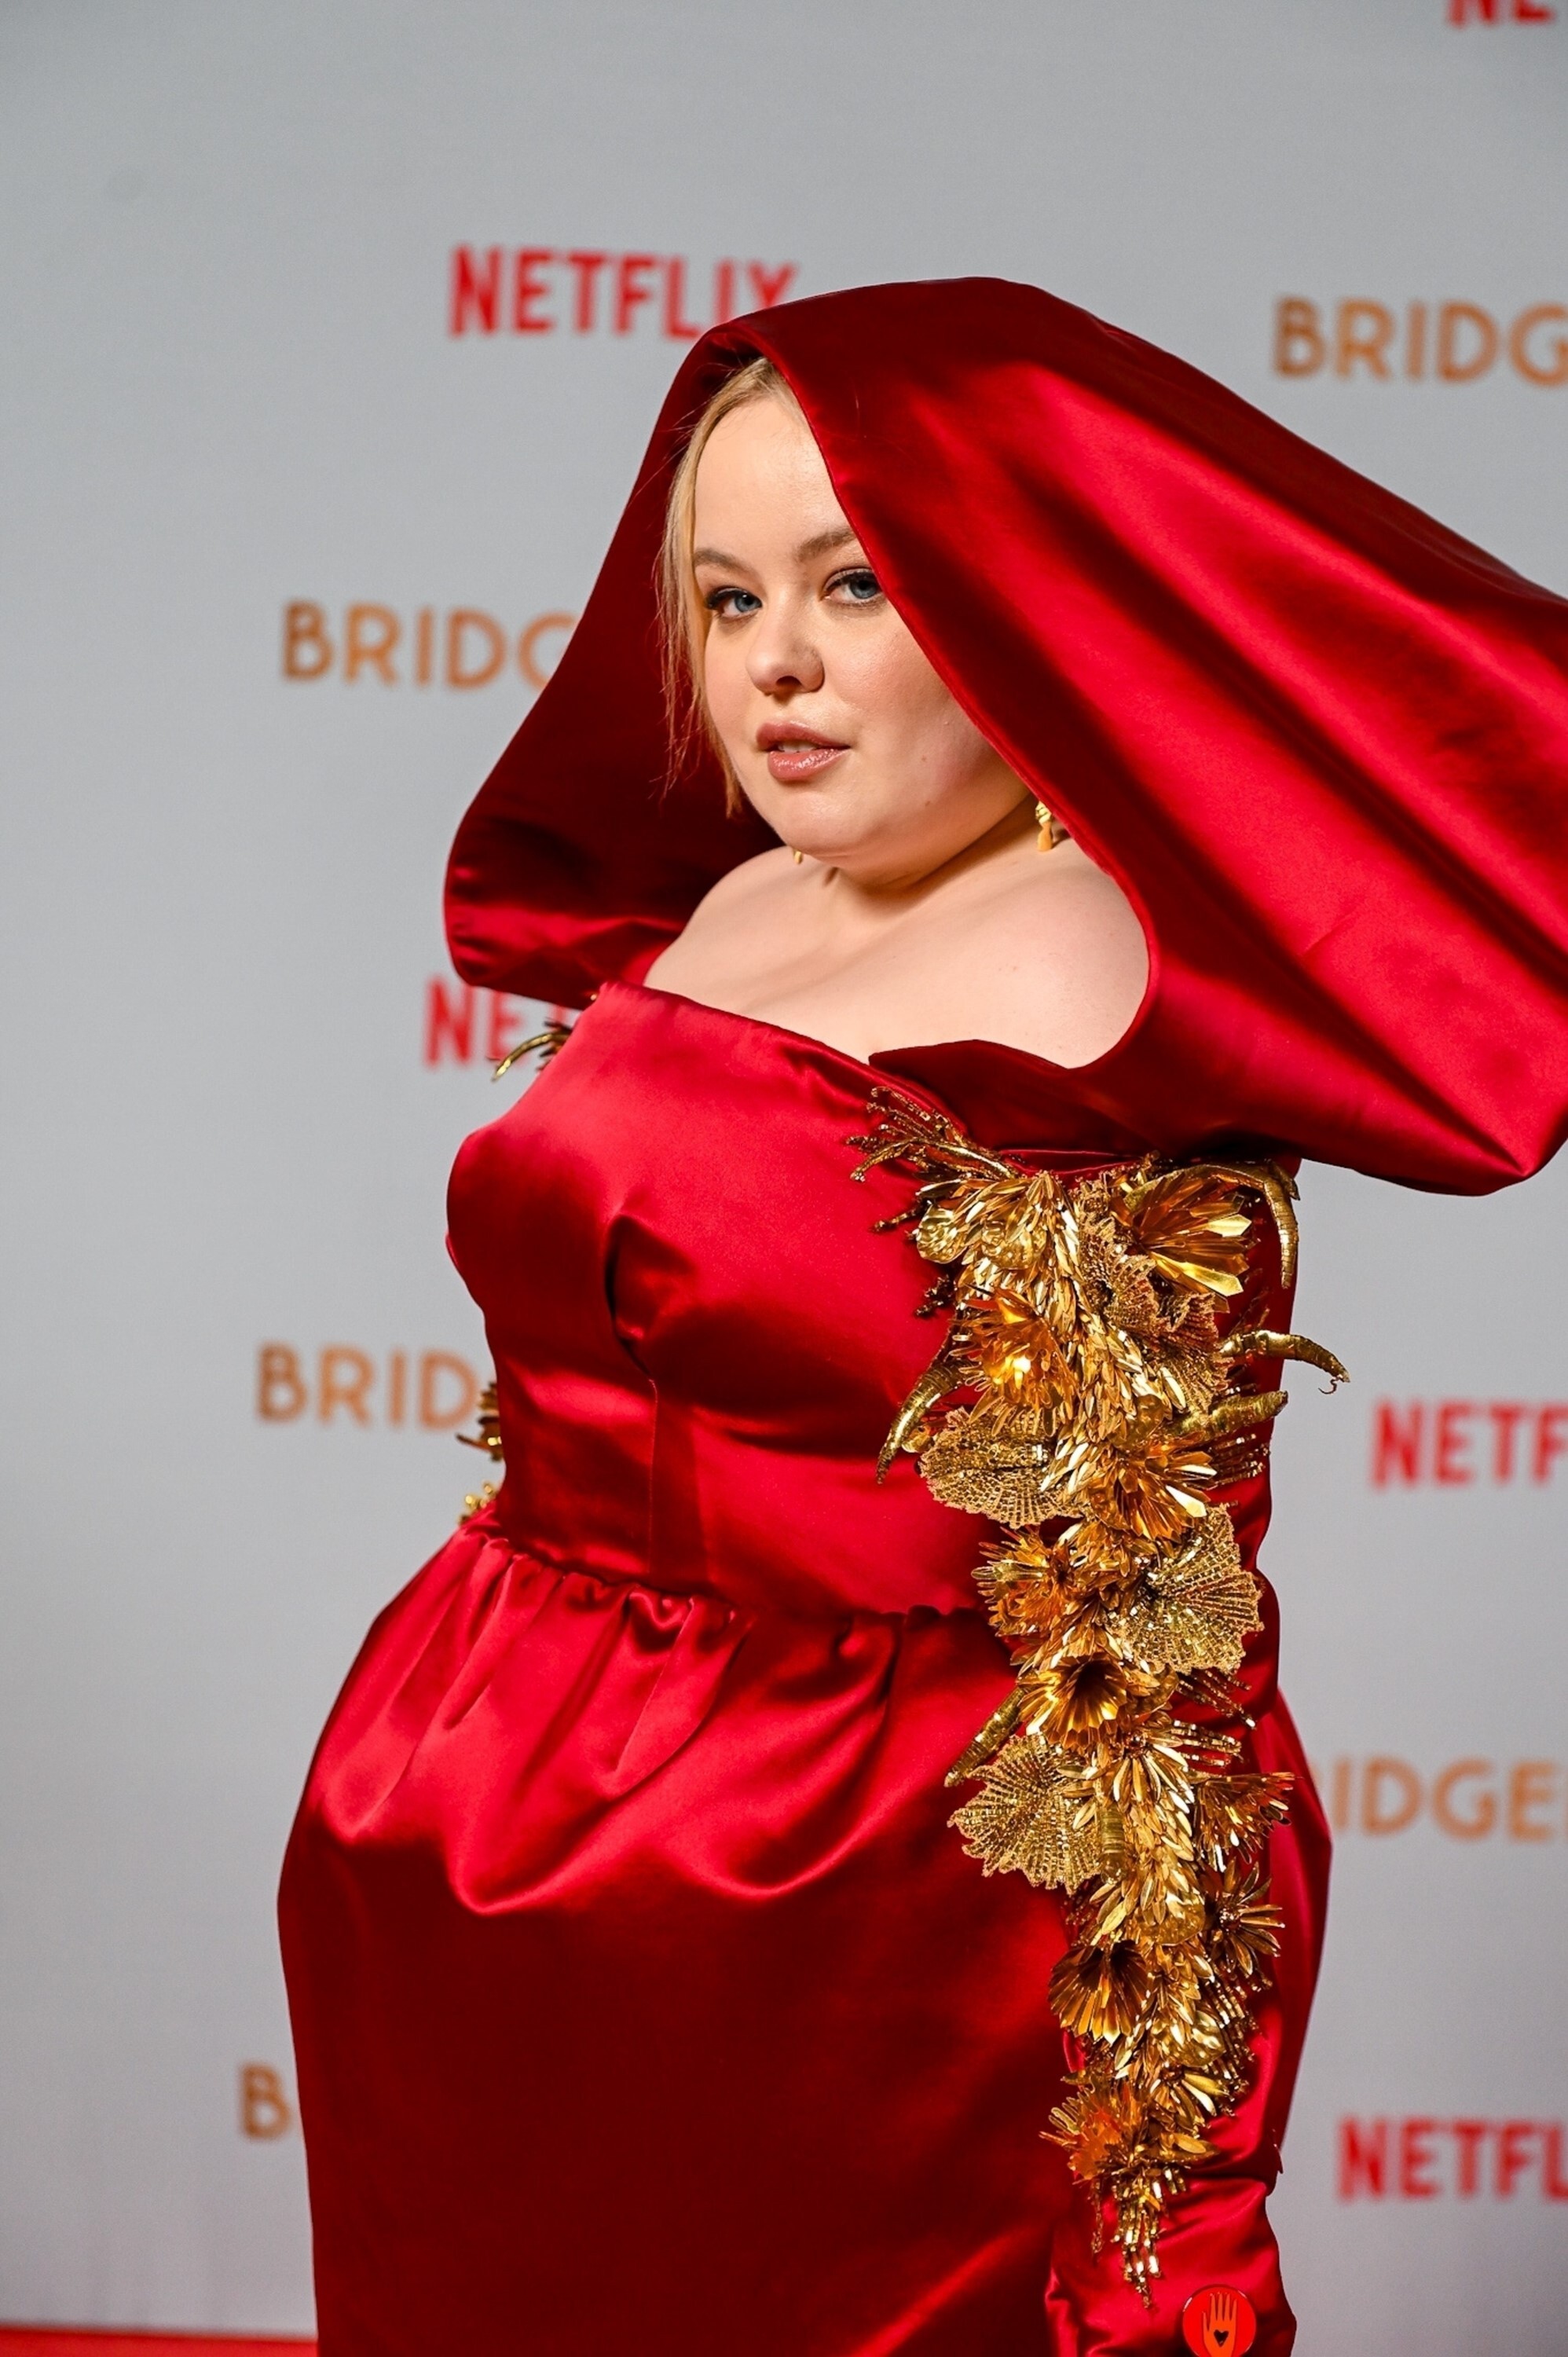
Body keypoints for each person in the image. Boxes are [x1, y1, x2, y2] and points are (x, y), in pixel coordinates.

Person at [280, 279, 1568, 2357]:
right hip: (474, 1812)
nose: (771, 662)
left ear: (1018, 598)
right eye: (723, 599)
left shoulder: (1069, 972)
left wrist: (1179, 2181)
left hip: (836, 1896)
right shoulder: (732, 903)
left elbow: (1161, 1626)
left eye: (854, 583)